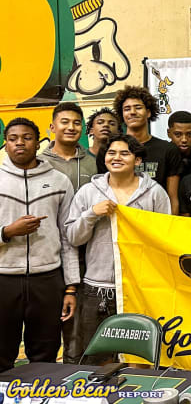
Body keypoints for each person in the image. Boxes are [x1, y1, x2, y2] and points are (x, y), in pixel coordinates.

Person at [65, 134, 171, 364]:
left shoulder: (155, 193)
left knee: (139, 359)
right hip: (98, 288)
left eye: (124, 153)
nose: (117, 158)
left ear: (138, 160)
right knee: (96, 359)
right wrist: (92, 213)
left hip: (141, 287)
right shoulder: (88, 192)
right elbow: (73, 237)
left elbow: (165, 239)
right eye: (112, 153)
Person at [0, 118, 79, 372]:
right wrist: (8, 231)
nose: (20, 143)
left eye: (27, 137)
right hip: (4, 279)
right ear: (6, 143)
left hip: (47, 280)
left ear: (39, 142)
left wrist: (70, 288)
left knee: (44, 355)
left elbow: (68, 237)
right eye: (13, 139)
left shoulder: (59, 181)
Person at [39, 102, 96, 364]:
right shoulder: (38, 163)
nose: (71, 127)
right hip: (48, 253)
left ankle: (74, 375)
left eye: (76, 123)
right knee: (48, 325)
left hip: (87, 253)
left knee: (78, 326)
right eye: (64, 122)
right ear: (52, 127)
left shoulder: (95, 163)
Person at [113, 86, 182, 214]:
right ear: (122, 115)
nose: (132, 112)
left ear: (149, 113)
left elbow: (173, 198)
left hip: (157, 220)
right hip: (121, 221)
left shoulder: (168, 150)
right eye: (127, 109)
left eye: (138, 107)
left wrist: (170, 229)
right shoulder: (110, 151)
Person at [168, 111, 191, 177]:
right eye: (178, 134)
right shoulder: (164, 153)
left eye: (189, 134)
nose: (184, 140)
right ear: (169, 133)